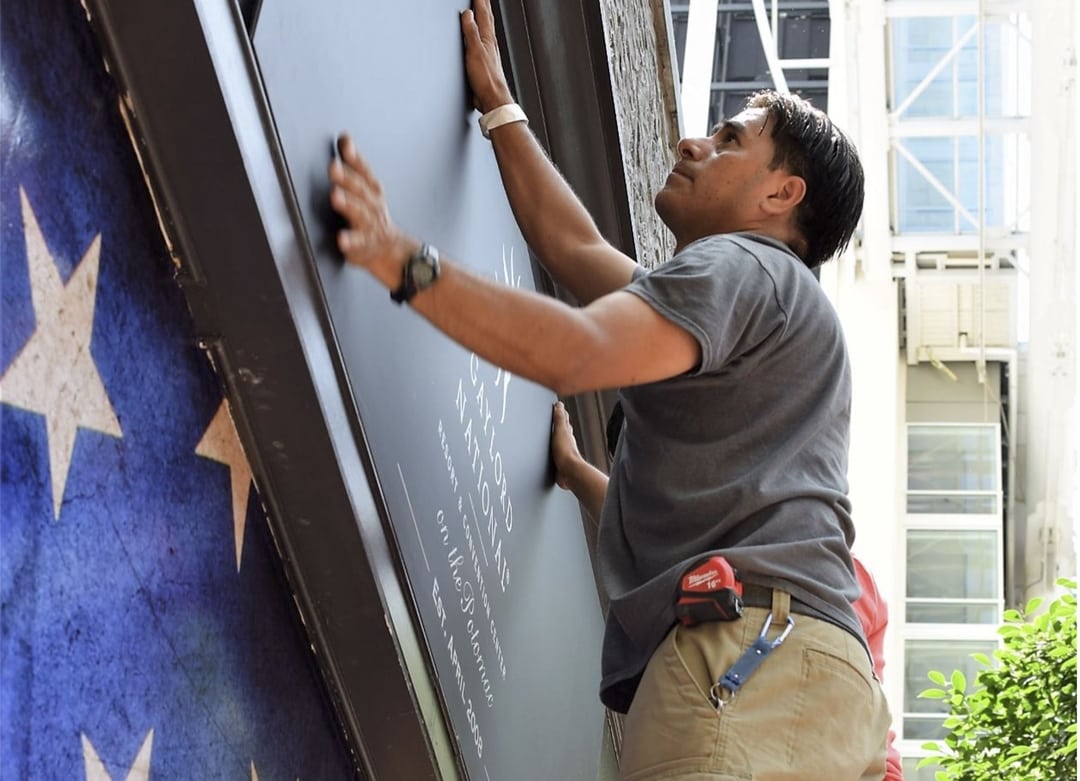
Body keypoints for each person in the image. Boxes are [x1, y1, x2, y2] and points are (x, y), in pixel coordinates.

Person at [327, 0, 892, 775]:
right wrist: (500, 104)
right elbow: (575, 247)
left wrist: (402, 260)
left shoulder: (745, 269)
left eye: (731, 139)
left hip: (753, 661)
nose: (692, 142)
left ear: (780, 196)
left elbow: (576, 351)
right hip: (790, 674)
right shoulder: (761, 307)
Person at [552, 403, 905, 780]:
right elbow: (884, 754)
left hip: (740, 699)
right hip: (841, 742)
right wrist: (573, 469)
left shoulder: (735, 529)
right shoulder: (856, 584)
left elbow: (648, 534)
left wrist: (573, 469)